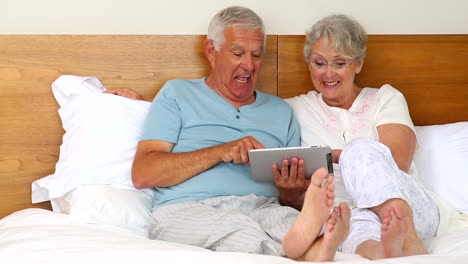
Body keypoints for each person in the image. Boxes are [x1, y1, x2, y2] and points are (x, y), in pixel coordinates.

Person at [107, 6, 350, 262]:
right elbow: (144, 173)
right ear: (211, 52)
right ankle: (308, 252)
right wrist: (221, 151)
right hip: (186, 210)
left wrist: (292, 192)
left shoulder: (280, 111)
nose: (249, 65)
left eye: (257, 55)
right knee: (240, 229)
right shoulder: (176, 94)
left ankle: (313, 245)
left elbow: (289, 201)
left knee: (288, 219)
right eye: (238, 53)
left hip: (263, 207)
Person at [279, 14, 442, 260]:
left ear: (359, 64)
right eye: (319, 63)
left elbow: (396, 162)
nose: (328, 73)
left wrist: (333, 156)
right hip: (346, 211)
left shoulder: (385, 98)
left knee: (359, 149)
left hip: (410, 207)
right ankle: (385, 253)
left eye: (340, 63)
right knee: (348, 221)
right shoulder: (295, 108)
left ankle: (408, 239)